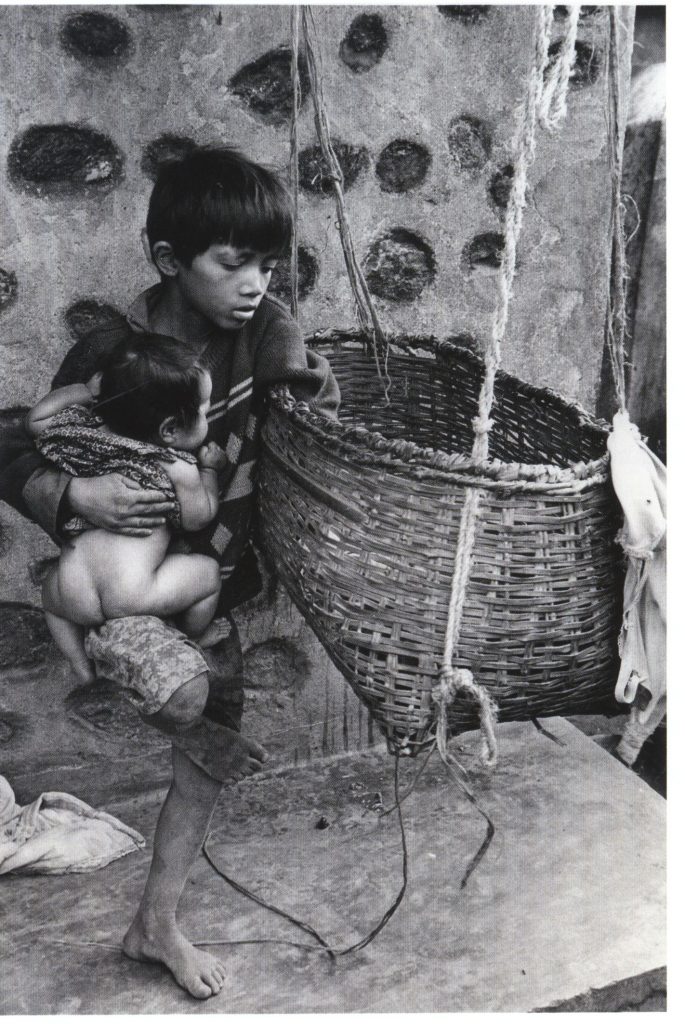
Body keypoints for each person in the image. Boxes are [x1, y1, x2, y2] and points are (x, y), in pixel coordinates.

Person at [0, 146, 339, 999]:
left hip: (208, 576)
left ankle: (156, 921)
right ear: (167, 260)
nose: (255, 284)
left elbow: (318, 412)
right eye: (233, 264)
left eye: (267, 266)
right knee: (190, 709)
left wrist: (297, 374)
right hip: (125, 583)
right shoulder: (114, 353)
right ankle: (168, 706)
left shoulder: (264, 335)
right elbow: (19, 441)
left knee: (204, 759)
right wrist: (74, 491)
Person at [26, 333, 232, 684]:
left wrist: (85, 391)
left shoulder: (83, 435)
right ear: (169, 429)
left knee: (49, 595)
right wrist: (210, 471)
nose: (206, 415)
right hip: (133, 593)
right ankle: (193, 637)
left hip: (73, 591)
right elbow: (199, 518)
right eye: (203, 410)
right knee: (209, 575)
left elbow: (36, 420)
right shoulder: (175, 466)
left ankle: (80, 665)